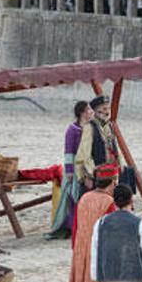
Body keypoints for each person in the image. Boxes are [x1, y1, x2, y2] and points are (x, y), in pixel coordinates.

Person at [65, 164, 118, 282]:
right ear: (112, 182)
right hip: (99, 254)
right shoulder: (109, 202)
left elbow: (75, 228)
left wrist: (77, 250)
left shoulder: (84, 198)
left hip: (80, 252)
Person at [48, 101, 93, 239]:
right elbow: (68, 151)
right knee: (74, 197)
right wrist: (69, 171)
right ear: (82, 113)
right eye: (89, 110)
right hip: (75, 167)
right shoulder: (72, 130)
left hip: (88, 166)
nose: (91, 112)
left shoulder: (90, 127)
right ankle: (72, 227)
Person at [75, 96, 122, 193]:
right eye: (104, 109)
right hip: (96, 175)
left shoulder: (109, 126)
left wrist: (120, 165)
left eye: (108, 108)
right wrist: (89, 174)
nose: (107, 112)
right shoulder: (89, 127)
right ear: (96, 111)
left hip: (110, 173)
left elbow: (114, 148)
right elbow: (85, 154)